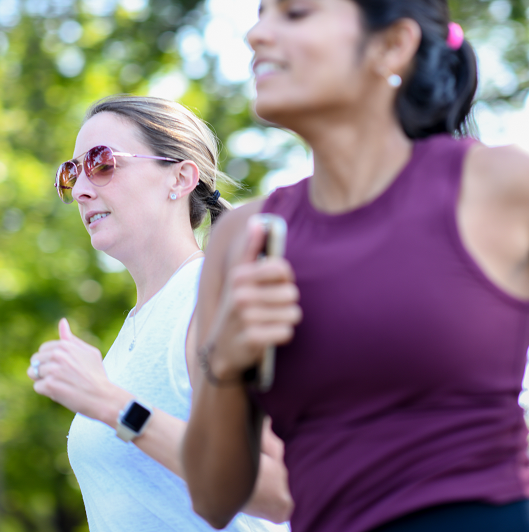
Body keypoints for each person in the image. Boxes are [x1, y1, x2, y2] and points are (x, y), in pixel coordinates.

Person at [181, 1, 529, 532]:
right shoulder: (240, 238)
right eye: (259, 13)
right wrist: (223, 363)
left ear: (392, 45)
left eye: (295, 13)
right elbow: (212, 499)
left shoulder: (498, 185)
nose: (256, 34)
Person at [27, 95, 292, 532]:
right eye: (72, 173)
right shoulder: (139, 326)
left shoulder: (214, 298)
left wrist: (109, 403)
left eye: (102, 162)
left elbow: (286, 490)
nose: (82, 189)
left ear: (181, 177)